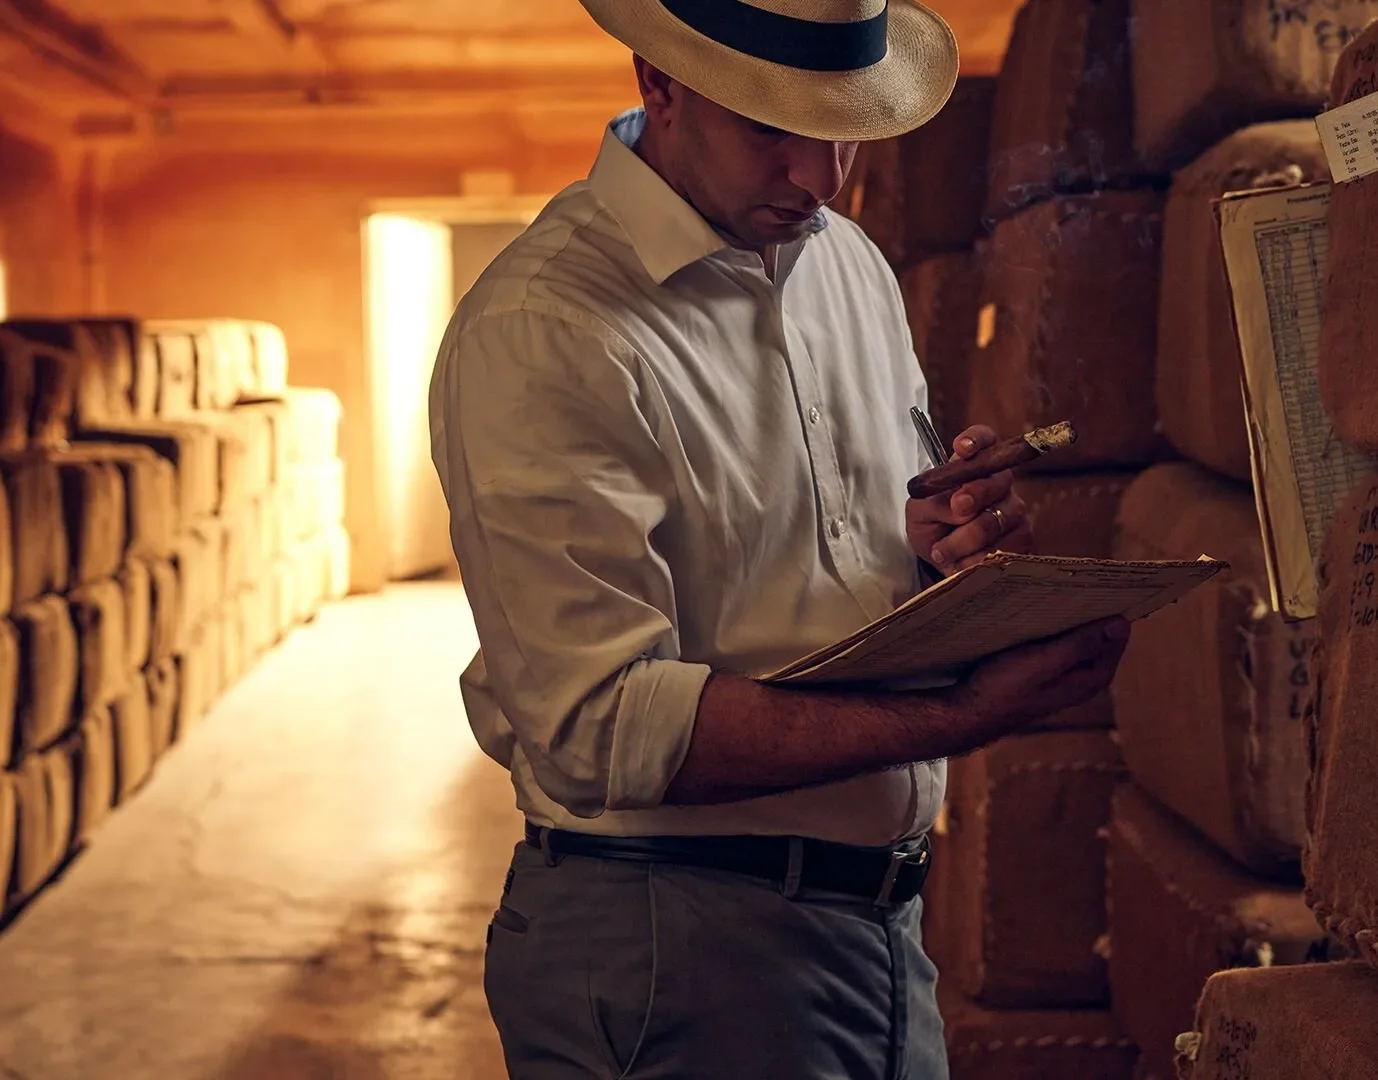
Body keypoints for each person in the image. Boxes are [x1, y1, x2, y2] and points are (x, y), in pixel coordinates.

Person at [427, 1, 1132, 1076]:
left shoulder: (845, 264)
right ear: (658, 82)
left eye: (844, 126)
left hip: (881, 935)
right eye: (772, 128)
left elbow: (826, 553)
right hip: (681, 947)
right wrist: (963, 715)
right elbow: (606, 725)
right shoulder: (547, 329)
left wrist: (931, 541)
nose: (820, 176)